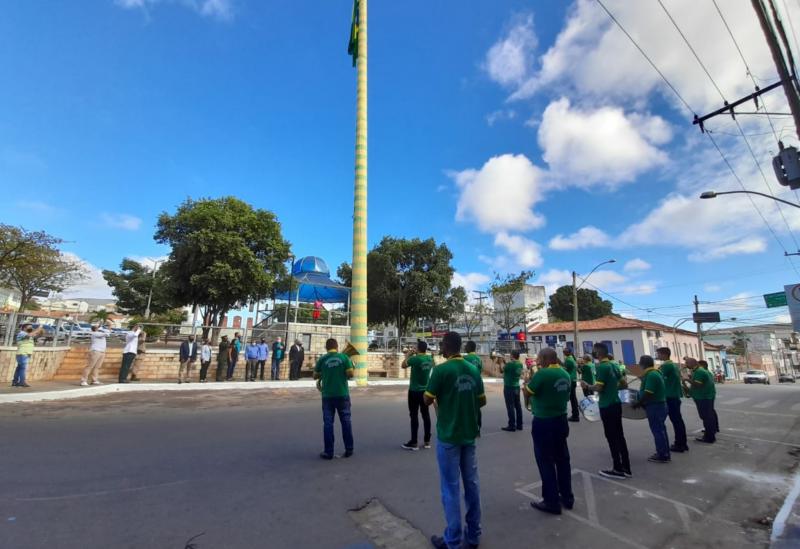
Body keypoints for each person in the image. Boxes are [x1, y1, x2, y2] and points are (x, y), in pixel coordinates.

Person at [424, 331, 485, 549]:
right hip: (469, 434)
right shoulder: (473, 369)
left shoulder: (441, 370)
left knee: (450, 488)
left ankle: (452, 540)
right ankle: (474, 535)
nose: (440, 347)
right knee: (472, 485)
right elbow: (482, 401)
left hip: (449, 436)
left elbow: (427, 399)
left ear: (446, 346)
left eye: (441, 344)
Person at [523, 347, 573, 515]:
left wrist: (526, 385)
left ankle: (551, 501)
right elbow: (566, 396)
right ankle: (567, 497)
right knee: (563, 460)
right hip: (561, 420)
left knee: (545, 461)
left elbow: (528, 392)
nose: (538, 361)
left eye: (539, 358)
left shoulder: (542, 374)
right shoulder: (565, 374)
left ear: (544, 359)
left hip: (544, 421)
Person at [582, 342, 631, 479]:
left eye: (594, 351)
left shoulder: (602, 367)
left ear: (598, 353)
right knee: (620, 436)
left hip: (607, 406)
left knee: (611, 437)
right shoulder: (614, 365)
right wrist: (613, 389)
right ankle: (626, 467)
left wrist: (587, 386)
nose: (592, 353)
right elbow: (624, 384)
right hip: (616, 403)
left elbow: (599, 388)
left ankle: (617, 469)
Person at [314, 338, 355, 459]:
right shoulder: (344, 357)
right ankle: (349, 449)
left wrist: (325, 372)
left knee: (328, 423)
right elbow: (350, 374)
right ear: (337, 347)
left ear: (326, 348)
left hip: (327, 396)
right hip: (342, 394)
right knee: (346, 421)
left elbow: (315, 375)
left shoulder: (322, 359)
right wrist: (350, 367)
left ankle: (328, 452)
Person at [633, 355, 670, 463]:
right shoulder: (654, 373)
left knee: (658, 431)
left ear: (642, 364)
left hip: (655, 406)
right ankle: (664, 452)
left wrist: (638, 403)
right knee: (661, 430)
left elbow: (648, 393)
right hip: (658, 405)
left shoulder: (651, 375)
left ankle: (662, 455)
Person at [401, 340, 434, 451]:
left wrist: (408, 355)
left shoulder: (415, 359)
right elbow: (432, 367)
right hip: (426, 391)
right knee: (426, 415)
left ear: (419, 348)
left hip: (414, 391)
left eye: (416, 347)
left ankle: (414, 442)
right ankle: (427, 441)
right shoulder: (430, 359)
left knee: (414, 415)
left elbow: (403, 365)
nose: (414, 348)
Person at [657, 347, 688, 453]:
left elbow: (658, 378)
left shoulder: (667, 366)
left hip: (670, 396)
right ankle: (682, 443)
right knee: (678, 420)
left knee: (676, 421)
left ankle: (680, 444)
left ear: (664, 354)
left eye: (659, 354)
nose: (657, 356)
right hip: (674, 395)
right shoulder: (673, 365)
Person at [683, 358, 718, 443]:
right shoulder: (698, 371)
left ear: (692, 363)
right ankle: (710, 434)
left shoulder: (699, 371)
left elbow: (697, 384)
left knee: (706, 417)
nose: (686, 365)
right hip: (704, 396)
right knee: (707, 417)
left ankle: (709, 437)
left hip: (703, 397)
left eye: (687, 363)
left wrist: (686, 379)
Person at [499, 350, 524, 432]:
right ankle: (519, 425)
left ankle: (512, 425)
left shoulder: (510, 365)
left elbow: (502, 370)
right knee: (518, 406)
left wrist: (500, 362)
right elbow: (510, 368)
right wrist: (505, 362)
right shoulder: (520, 364)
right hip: (516, 386)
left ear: (512, 356)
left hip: (509, 387)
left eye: (510, 355)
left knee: (510, 407)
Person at [563, 348, 580, 422]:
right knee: (573, 398)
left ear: (568, 352)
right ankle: (575, 414)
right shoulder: (572, 359)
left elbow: (564, 370)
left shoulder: (568, 360)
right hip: (573, 380)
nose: (563, 352)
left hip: (570, 380)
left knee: (572, 399)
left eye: (564, 351)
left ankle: (575, 415)